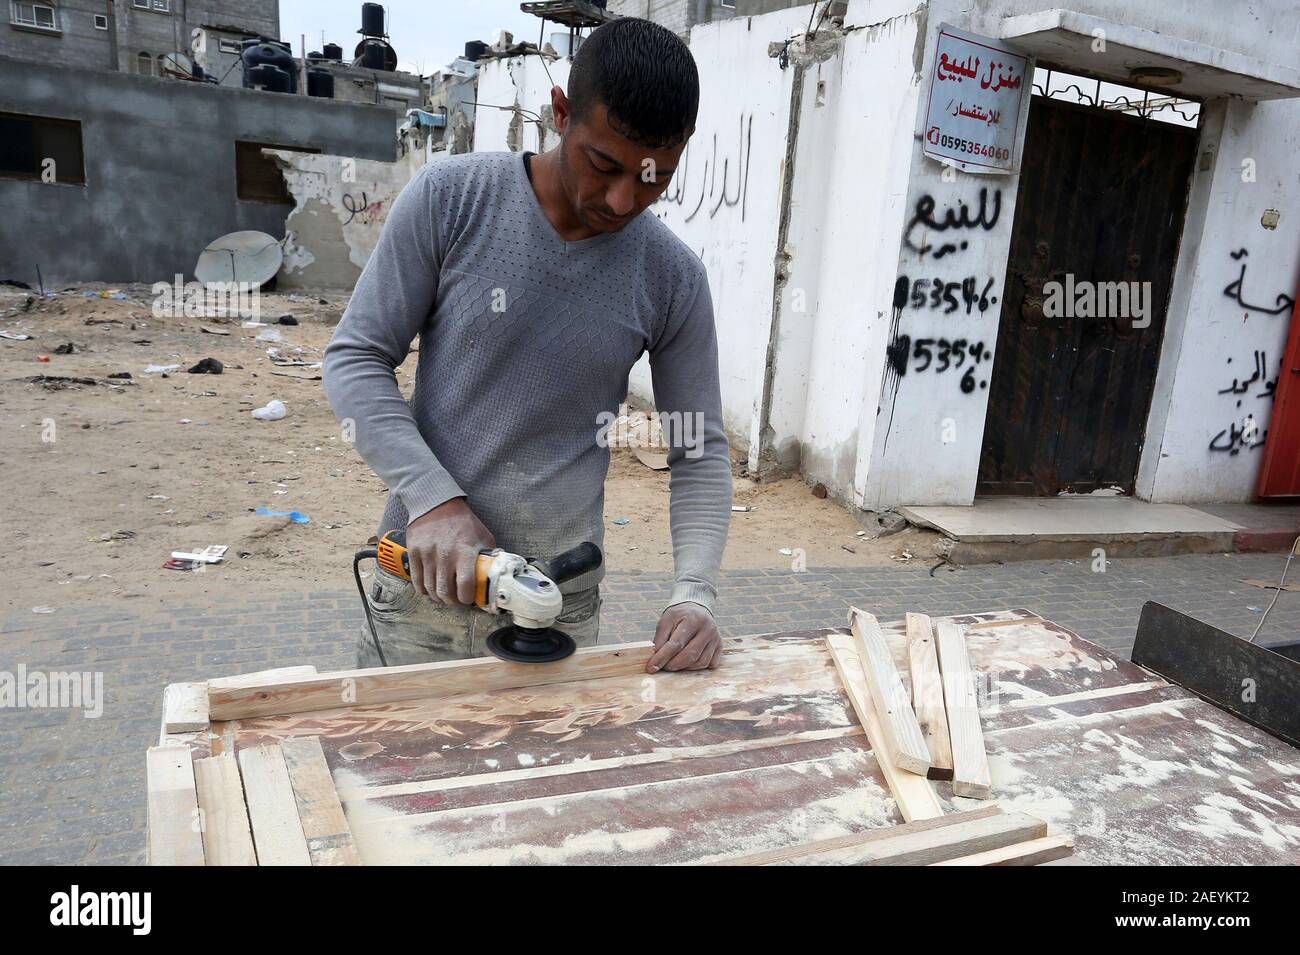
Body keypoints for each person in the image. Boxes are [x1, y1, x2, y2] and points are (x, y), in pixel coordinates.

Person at [323, 18, 731, 675]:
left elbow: (700, 448)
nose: (624, 200)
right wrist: (433, 498)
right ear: (561, 112)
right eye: (604, 165)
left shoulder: (671, 277)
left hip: (559, 610)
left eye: (653, 178)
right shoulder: (453, 201)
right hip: (421, 594)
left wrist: (696, 596)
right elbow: (355, 357)